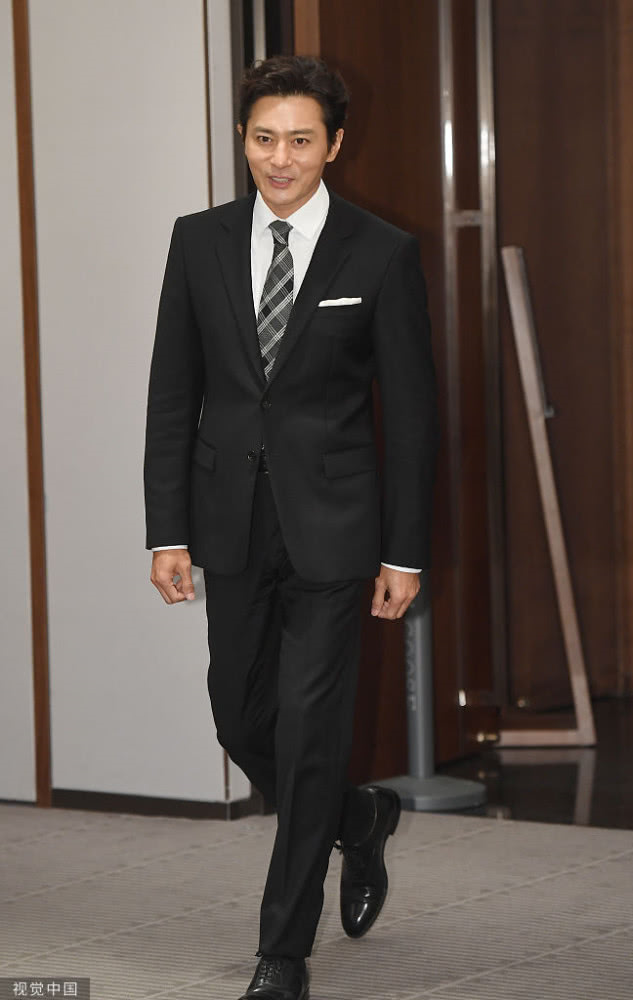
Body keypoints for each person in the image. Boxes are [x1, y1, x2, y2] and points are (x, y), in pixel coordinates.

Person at [144, 54, 438, 1000]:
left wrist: (403, 550)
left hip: (336, 529)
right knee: (238, 714)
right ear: (243, 139)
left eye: (300, 140)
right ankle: (355, 816)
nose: (280, 158)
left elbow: (411, 417)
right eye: (264, 138)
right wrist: (166, 531)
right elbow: (173, 394)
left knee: (310, 729)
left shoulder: (380, 252)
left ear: (334, 145)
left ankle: (283, 951)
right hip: (227, 520)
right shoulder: (197, 240)